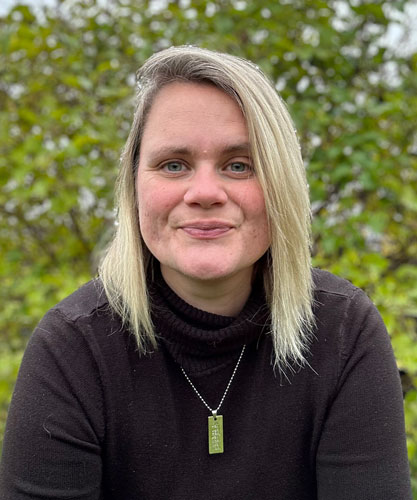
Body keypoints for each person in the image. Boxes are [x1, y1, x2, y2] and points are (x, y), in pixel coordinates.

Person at [0, 46, 411, 499]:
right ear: (134, 186)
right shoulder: (73, 347)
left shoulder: (344, 332)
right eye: (173, 165)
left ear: (282, 184)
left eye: (238, 165)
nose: (205, 192)